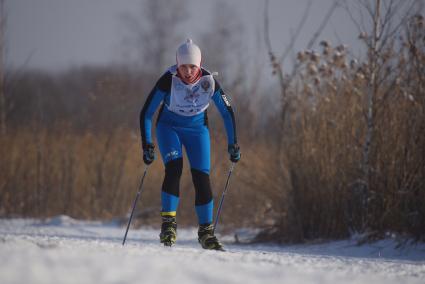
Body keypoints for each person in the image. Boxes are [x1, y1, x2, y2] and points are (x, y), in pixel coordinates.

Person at [139, 38, 240, 251]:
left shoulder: (210, 82)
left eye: (192, 66)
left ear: (200, 64)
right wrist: (147, 144)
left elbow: (228, 113)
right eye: (183, 66)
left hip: (197, 131)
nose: (187, 71)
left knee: (202, 178)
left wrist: (233, 144)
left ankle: (206, 232)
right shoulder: (168, 80)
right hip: (169, 128)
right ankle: (168, 225)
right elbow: (147, 112)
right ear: (177, 64)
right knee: (174, 169)